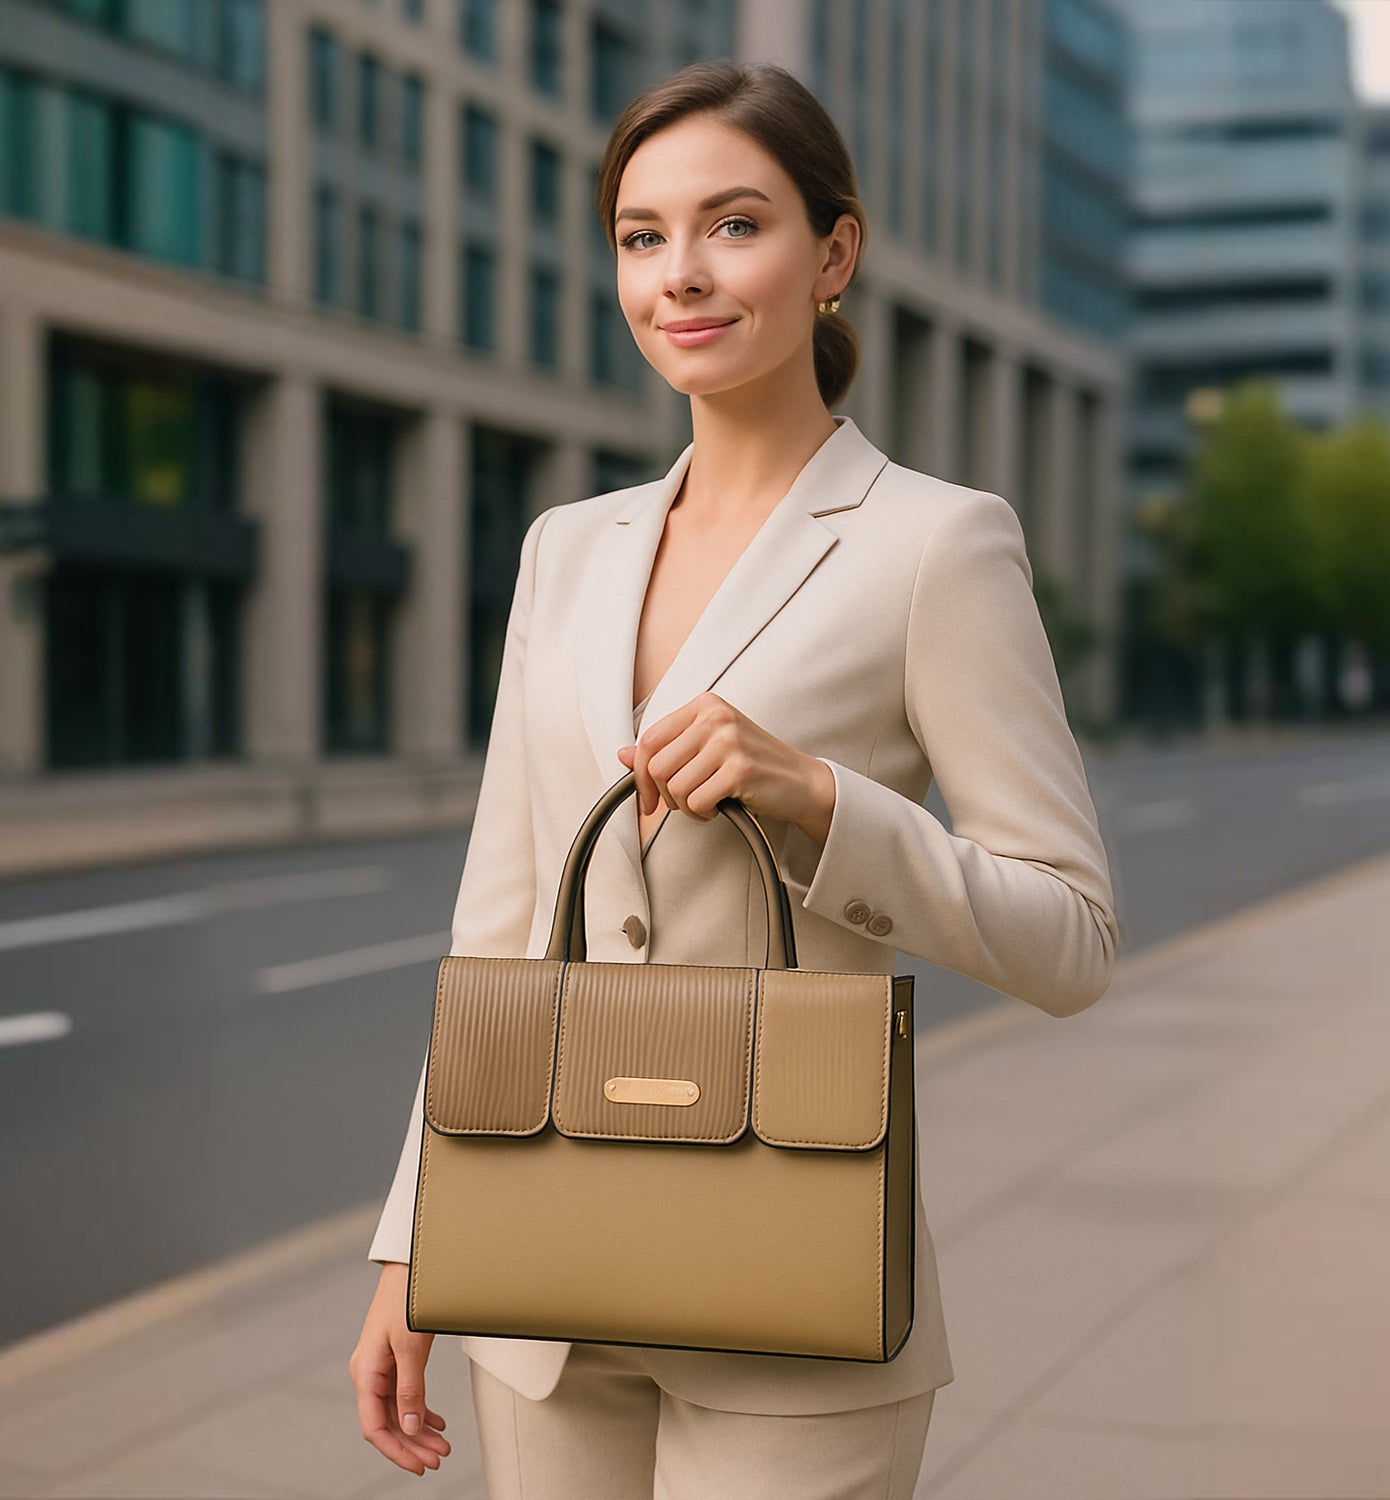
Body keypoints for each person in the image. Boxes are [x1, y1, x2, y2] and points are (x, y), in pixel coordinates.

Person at [349, 58, 1119, 1499]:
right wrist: (413, 1244)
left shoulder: (935, 546)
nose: (680, 277)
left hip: (793, 1285)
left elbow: (1072, 938)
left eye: (734, 225)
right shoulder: (565, 548)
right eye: (642, 236)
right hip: (541, 1287)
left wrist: (823, 801)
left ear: (835, 253)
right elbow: (501, 924)